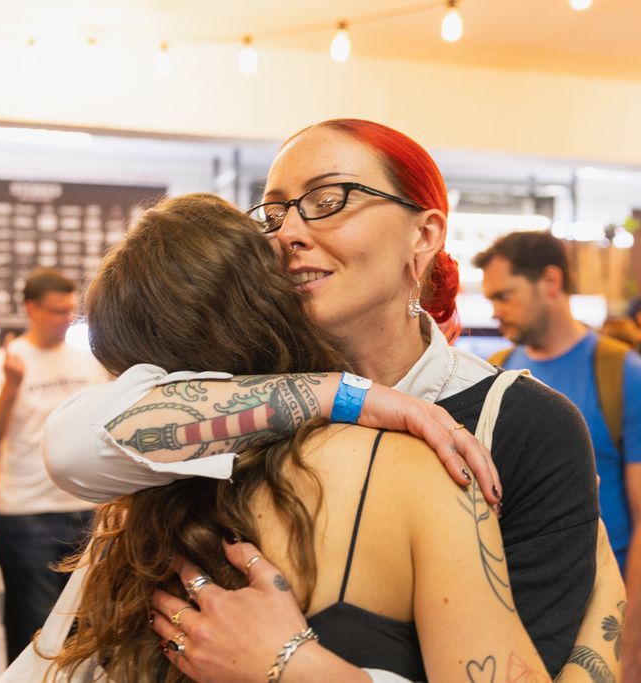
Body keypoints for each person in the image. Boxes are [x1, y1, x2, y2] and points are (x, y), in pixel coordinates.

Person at [43, 119, 607, 680]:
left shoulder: (517, 421)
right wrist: (340, 395)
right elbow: (72, 444)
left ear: (425, 234)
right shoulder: (241, 394)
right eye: (274, 211)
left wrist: (292, 666)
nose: (289, 231)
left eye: (329, 200)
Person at [474, 231, 641, 683]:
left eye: (504, 295)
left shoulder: (628, 376)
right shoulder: (499, 370)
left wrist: (632, 638)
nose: (494, 309)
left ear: (550, 281)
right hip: (515, 609)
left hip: (599, 607)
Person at [0, 268, 106, 662]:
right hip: (27, 514)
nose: (66, 320)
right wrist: (12, 386)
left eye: (70, 311)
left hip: (87, 511)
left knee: (88, 632)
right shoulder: (6, 365)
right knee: (36, 634)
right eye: (56, 311)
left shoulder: (87, 363)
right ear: (31, 308)